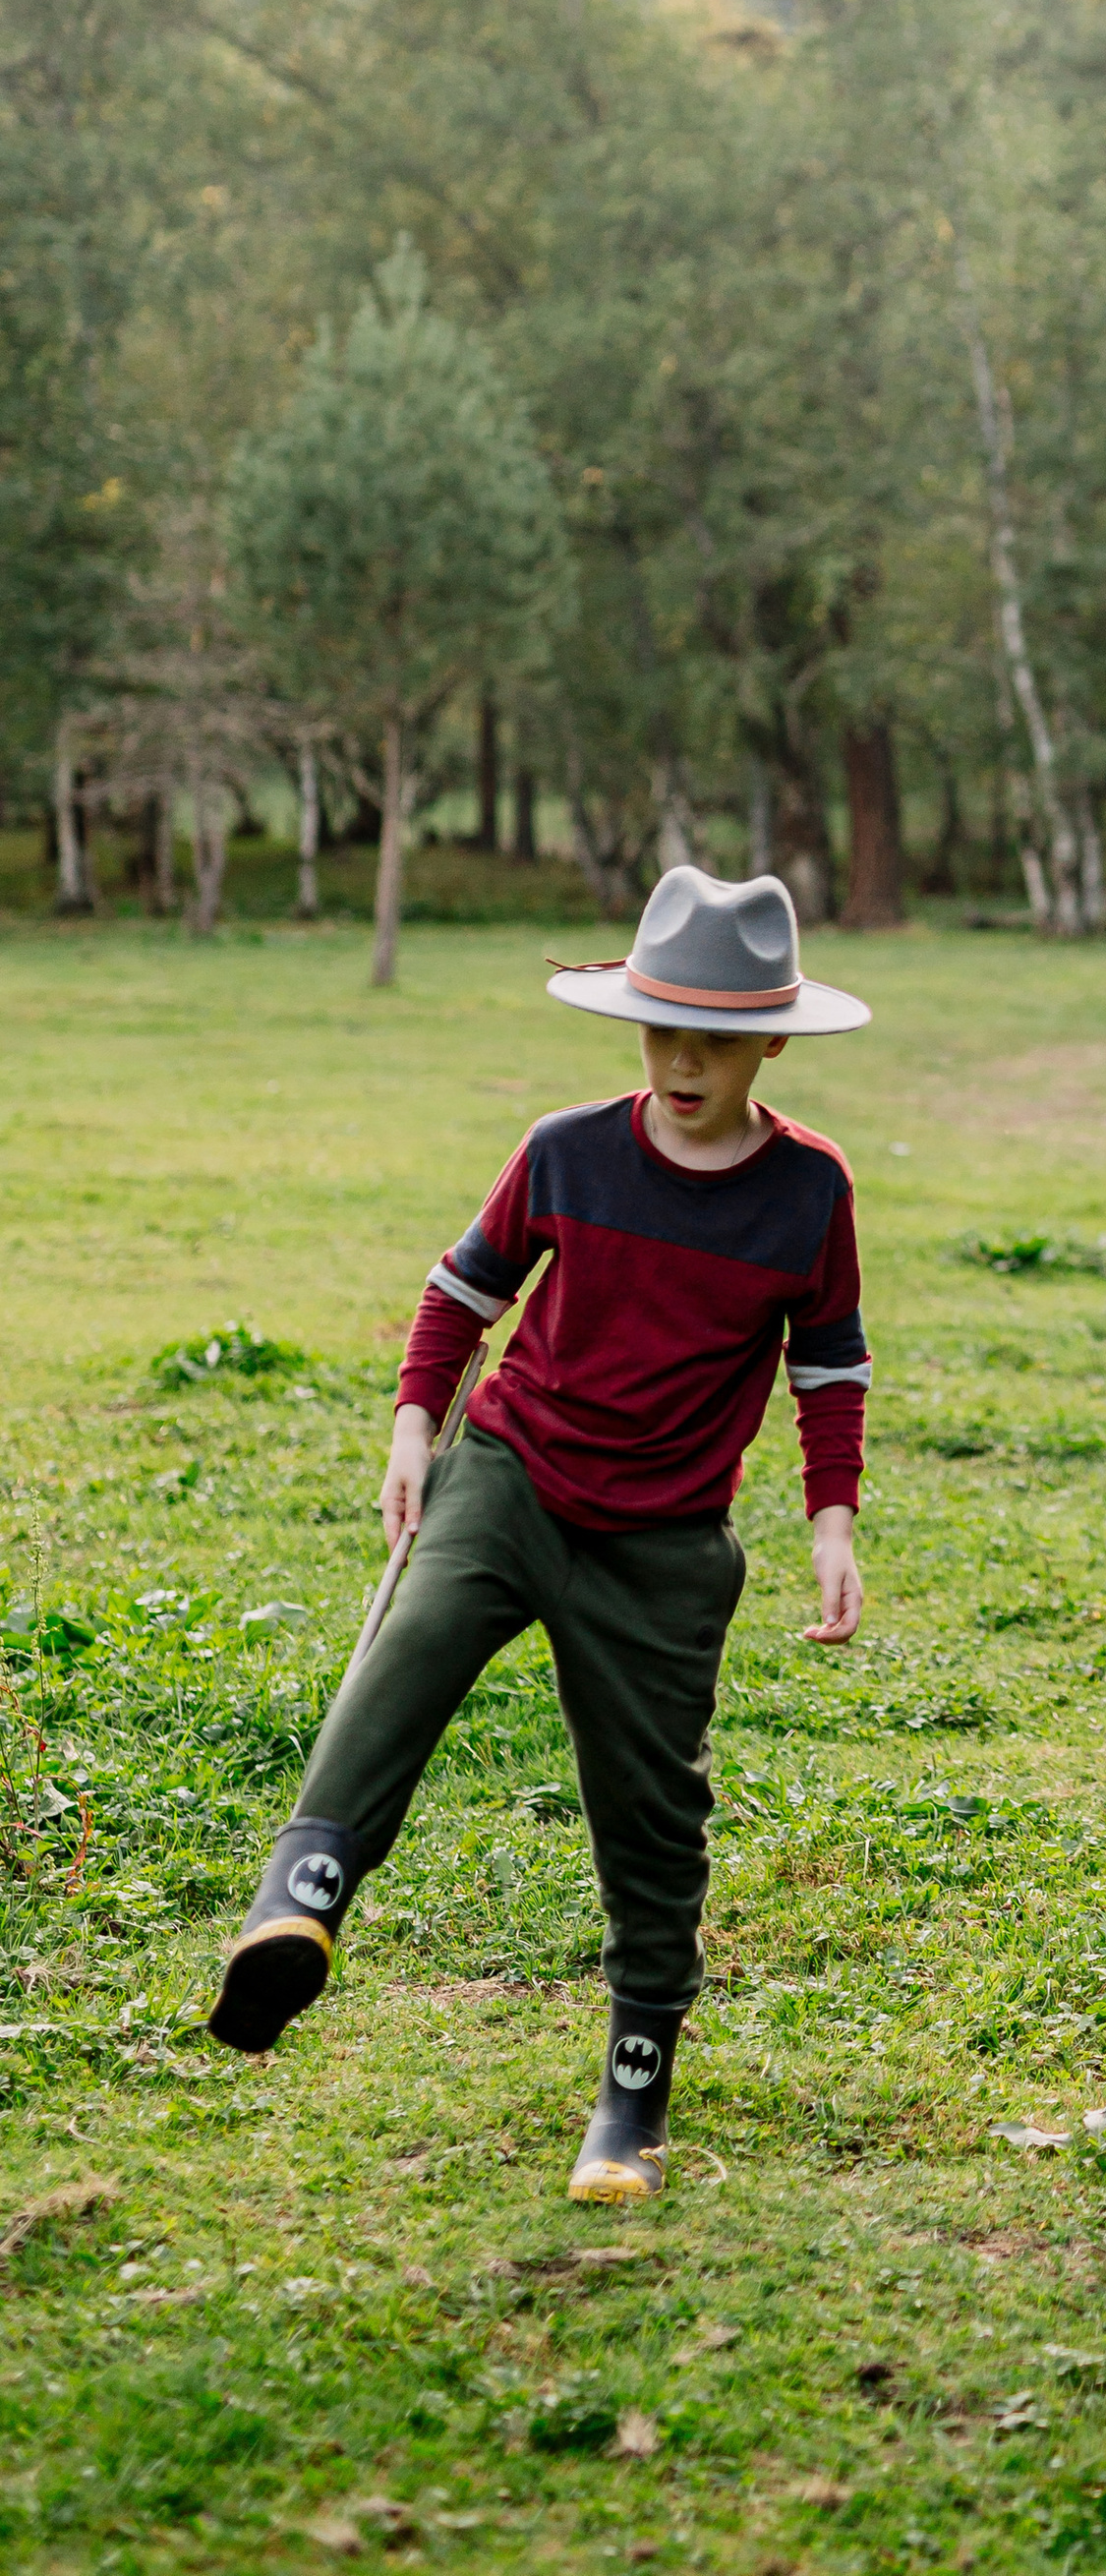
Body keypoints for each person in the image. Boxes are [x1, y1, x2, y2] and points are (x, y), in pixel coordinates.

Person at [206, 866, 876, 2200]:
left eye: (714, 1040)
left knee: (653, 1814)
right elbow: (462, 1294)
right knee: (406, 1658)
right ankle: (301, 1898)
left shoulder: (808, 1191)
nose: (681, 1064)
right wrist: (415, 1429)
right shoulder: (567, 1150)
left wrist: (832, 1522)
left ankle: (633, 2095)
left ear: (771, 1044)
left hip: (666, 1541)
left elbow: (829, 1362)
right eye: (661, 1031)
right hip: (511, 1475)